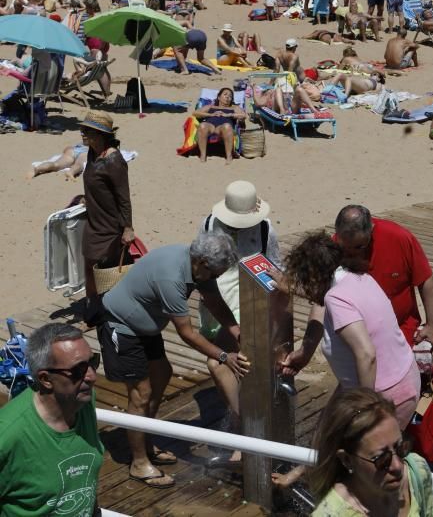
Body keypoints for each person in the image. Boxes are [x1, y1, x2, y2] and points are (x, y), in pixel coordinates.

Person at [98, 232, 250, 488]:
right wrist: (224, 356)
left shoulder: (198, 267)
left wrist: (235, 330)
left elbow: (214, 300)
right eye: (215, 274)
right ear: (201, 263)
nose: (216, 278)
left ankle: (144, 439)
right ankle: (138, 462)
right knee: (140, 394)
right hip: (120, 326)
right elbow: (186, 333)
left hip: (146, 326)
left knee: (162, 374)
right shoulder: (172, 277)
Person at [275, 231, 420, 430]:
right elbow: (322, 299)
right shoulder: (357, 277)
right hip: (403, 377)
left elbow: (367, 354)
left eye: (305, 280)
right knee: (323, 436)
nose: (305, 288)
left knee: (340, 452)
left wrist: (365, 411)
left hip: (385, 394)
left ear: (315, 275)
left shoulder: (336, 298)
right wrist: (305, 352)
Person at [200, 182, 281, 465]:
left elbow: (276, 266)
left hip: (251, 304)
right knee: (225, 366)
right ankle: (244, 427)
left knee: (232, 365)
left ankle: (242, 432)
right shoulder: (210, 223)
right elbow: (200, 263)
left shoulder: (264, 228)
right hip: (218, 304)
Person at [0, 322, 104, 515]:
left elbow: (84, 481)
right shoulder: (7, 436)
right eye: (78, 370)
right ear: (46, 379)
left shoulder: (83, 401)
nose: (91, 377)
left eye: (93, 362)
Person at [305, 388, 433, 516]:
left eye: (400, 448)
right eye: (382, 459)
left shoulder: (417, 472)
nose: (398, 466)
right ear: (347, 460)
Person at [334, 205, 433, 346]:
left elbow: (425, 279)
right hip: (356, 336)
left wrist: (432, 324)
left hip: (401, 332)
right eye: (346, 248)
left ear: (371, 230)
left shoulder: (399, 238)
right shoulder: (333, 247)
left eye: (359, 247)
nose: (354, 253)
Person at [80, 110, 135, 305]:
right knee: (89, 264)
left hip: (110, 225)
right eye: (83, 129)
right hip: (94, 220)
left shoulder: (114, 161)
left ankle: (105, 308)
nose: (83, 133)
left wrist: (128, 228)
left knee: (105, 268)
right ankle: (93, 308)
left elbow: (124, 197)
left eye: (88, 130)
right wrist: (87, 198)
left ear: (101, 135)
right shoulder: (92, 152)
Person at [193, 87, 246, 164]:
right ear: (219, 97)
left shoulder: (234, 108)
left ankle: (229, 156)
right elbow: (195, 113)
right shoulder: (211, 106)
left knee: (227, 126)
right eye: (225, 94)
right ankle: (203, 155)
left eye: (230, 96)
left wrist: (228, 115)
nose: (228, 97)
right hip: (210, 126)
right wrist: (211, 114)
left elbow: (243, 115)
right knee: (203, 125)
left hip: (222, 128)